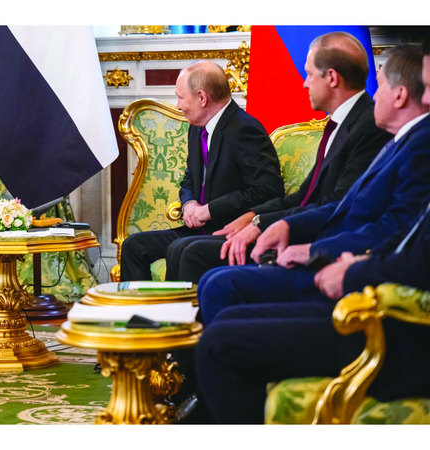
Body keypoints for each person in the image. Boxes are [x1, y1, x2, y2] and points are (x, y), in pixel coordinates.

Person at [194, 41, 430, 424]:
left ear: (400, 95)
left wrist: (327, 257)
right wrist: (282, 225)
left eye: (381, 84)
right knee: (218, 303)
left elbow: (397, 233)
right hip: (346, 268)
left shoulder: (417, 145)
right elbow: (354, 212)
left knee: (219, 322)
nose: (374, 93)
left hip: (372, 310)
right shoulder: (401, 141)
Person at [165, 32, 392, 283]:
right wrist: (253, 216)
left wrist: (262, 223)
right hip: (296, 226)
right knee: (181, 248)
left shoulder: (368, 126)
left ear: (331, 78)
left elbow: (339, 203)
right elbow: (303, 196)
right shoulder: (342, 123)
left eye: (309, 74)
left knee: (192, 253)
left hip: (319, 240)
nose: (304, 83)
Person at [119, 60, 284, 281]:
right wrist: (189, 204)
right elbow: (190, 177)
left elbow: (267, 191)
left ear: (202, 98)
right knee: (134, 245)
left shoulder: (245, 129)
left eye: (181, 97)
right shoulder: (197, 128)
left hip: (230, 230)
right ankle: (142, 304)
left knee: (180, 248)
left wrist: (209, 210)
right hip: (200, 230)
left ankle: (180, 305)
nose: (178, 106)